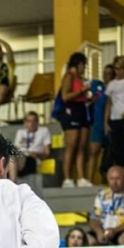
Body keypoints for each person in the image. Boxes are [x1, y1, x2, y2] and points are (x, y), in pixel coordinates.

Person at [54, 52, 94, 188]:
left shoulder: (79, 78)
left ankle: (81, 177)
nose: (84, 68)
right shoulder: (69, 76)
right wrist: (82, 90)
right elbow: (65, 96)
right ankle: (67, 178)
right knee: (71, 146)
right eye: (83, 65)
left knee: (82, 145)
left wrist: (89, 98)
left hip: (81, 109)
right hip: (71, 110)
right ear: (78, 64)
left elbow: (79, 95)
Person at [90, 166, 124, 246]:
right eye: (111, 179)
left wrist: (115, 230)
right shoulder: (102, 194)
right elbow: (93, 219)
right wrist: (98, 231)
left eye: (118, 178)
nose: (114, 182)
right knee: (87, 239)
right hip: (104, 230)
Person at [87, 64, 115, 184]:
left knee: (110, 154)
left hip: (112, 124)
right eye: (104, 73)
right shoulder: (97, 86)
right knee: (94, 152)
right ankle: (89, 180)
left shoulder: (115, 89)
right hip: (97, 124)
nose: (106, 76)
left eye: (109, 73)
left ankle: (106, 180)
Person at [13, 111, 52, 180]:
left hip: (33, 159)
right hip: (20, 157)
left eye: (34, 121)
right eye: (29, 121)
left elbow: (47, 153)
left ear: (37, 122)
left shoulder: (44, 131)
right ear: (25, 123)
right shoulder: (20, 132)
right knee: (9, 158)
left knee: (12, 160)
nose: (32, 124)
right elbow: (15, 149)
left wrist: (37, 154)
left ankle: (12, 181)